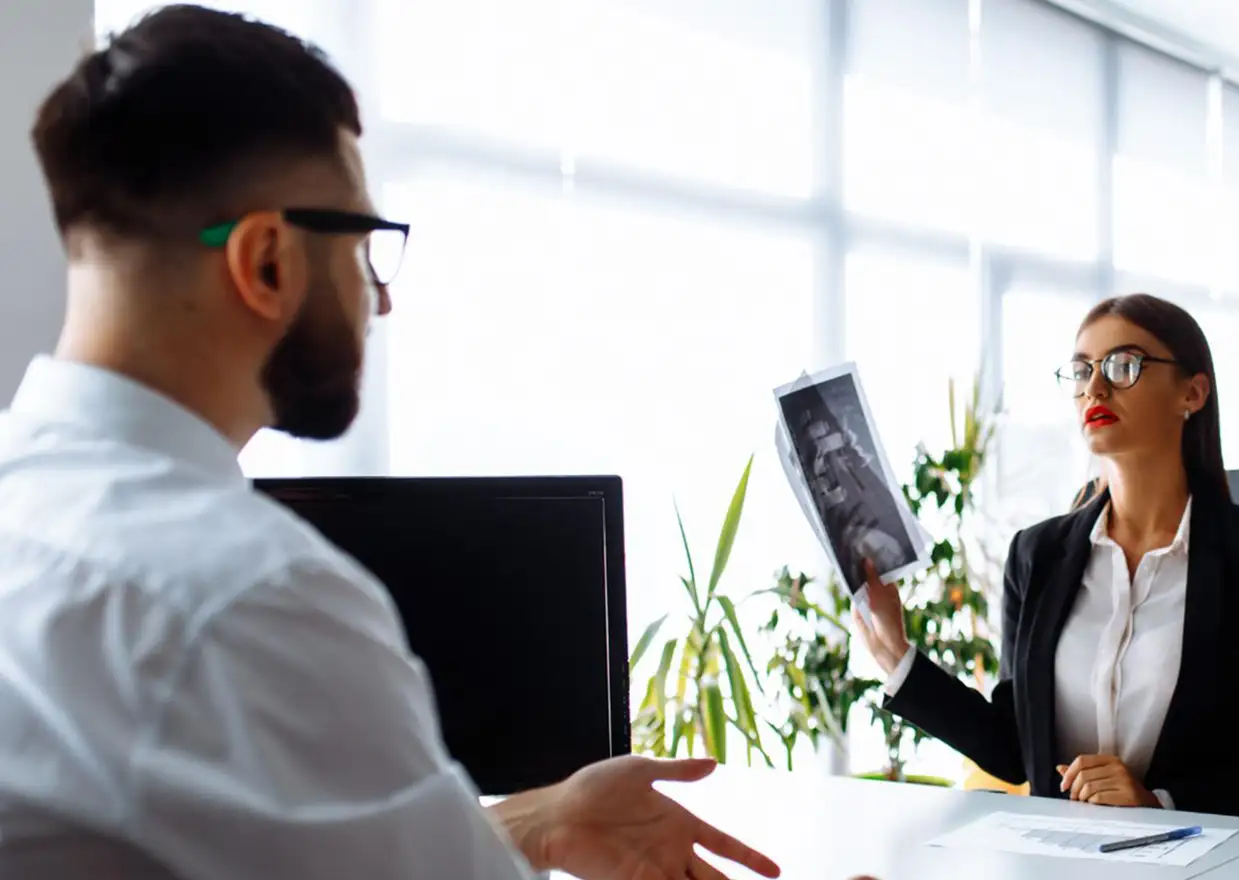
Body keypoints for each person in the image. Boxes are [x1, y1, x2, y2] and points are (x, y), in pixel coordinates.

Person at [0, 7, 788, 880]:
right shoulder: (247, 599)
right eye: (365, 246)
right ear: (267, 262)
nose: (381, 301)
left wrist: (535, 821)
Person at [853, 293, 1239, 819]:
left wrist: (1161, 803)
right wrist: (895, 656)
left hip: (1195, 860)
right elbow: (1015, 747)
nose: (1095, 388)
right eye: (1082, 371)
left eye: (1123, 365)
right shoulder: (1037, 555)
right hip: (1055, 858)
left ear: (1192, 394)